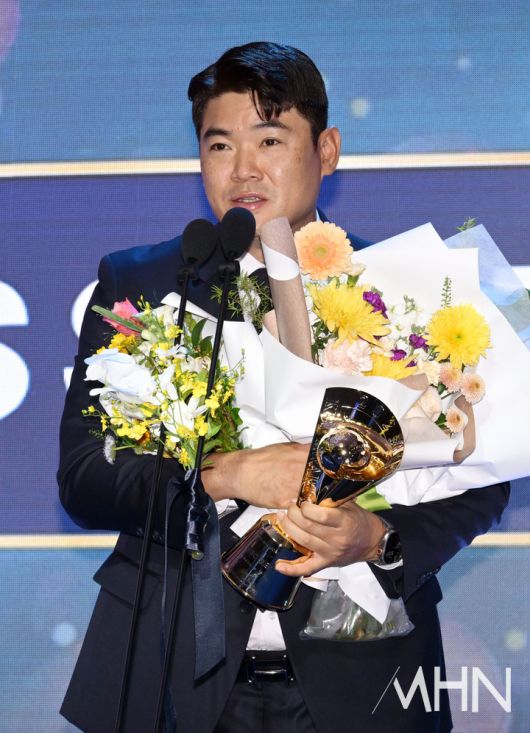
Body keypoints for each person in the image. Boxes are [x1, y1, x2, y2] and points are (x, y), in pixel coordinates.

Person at [58, 42, 509, 733]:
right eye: (220, 145)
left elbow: (481, 477)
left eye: (270, 139)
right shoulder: (145, 285)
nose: (243, 168)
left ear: (326, 150)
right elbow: (86, 477)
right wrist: (225, 472)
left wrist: (377, 537)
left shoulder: (406, 288)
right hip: (171, 668)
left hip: (364, 676)